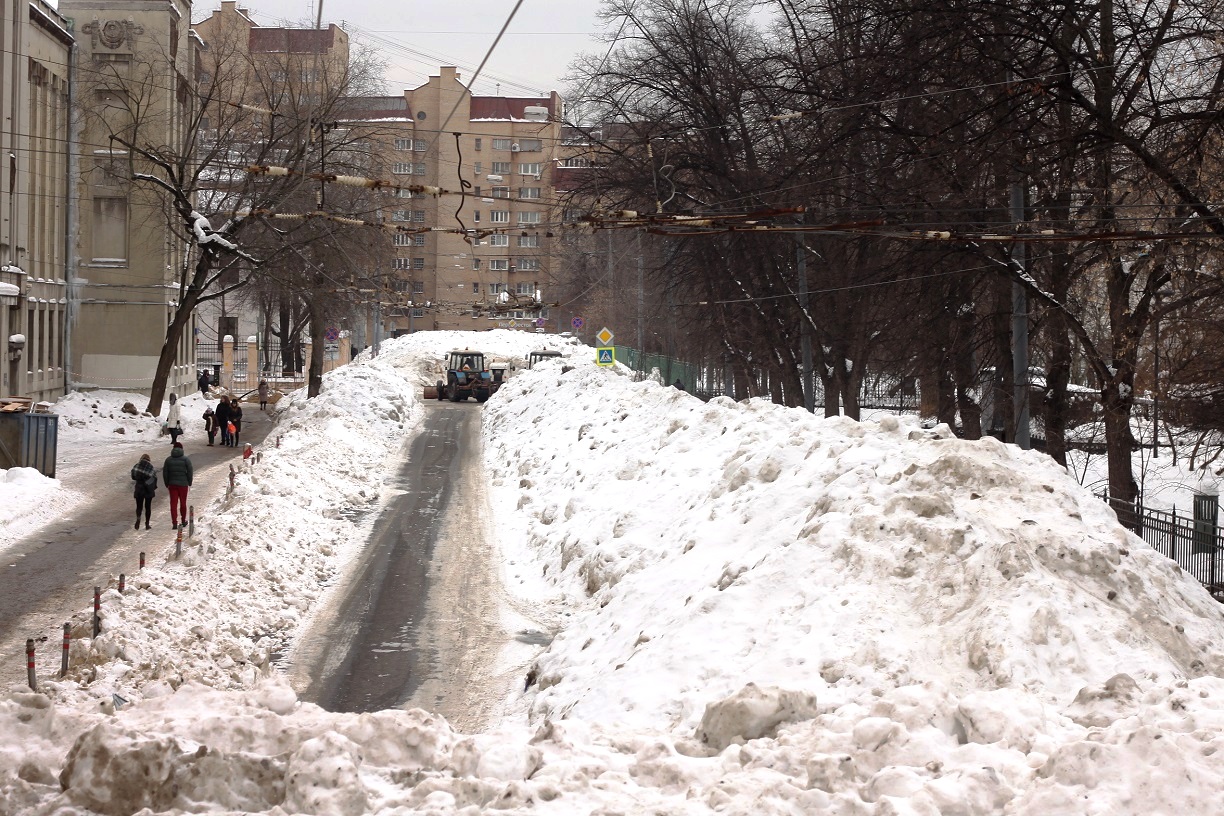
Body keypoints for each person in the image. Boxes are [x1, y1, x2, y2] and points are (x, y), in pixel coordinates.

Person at [162, 442, 193, 529]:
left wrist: (167, 483)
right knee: (183, 503)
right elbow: (190, 471)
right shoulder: (186, 459)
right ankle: (183, 521)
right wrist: (189, 482)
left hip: (172, 484)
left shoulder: (168, 460)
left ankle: (174, 523)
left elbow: (165, 473)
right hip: (183, 484)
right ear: (182, 449)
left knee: (173, 503)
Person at [130, 453, 157, 530]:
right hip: (148, 489)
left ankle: (138, 518)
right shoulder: (150, 467)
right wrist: (150, 485)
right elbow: (154, 478)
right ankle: (147, 524)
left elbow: (133, 476)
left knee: (139, 506)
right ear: (149, 459)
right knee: (148, 507)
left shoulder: (137, 465)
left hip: (139, 488)